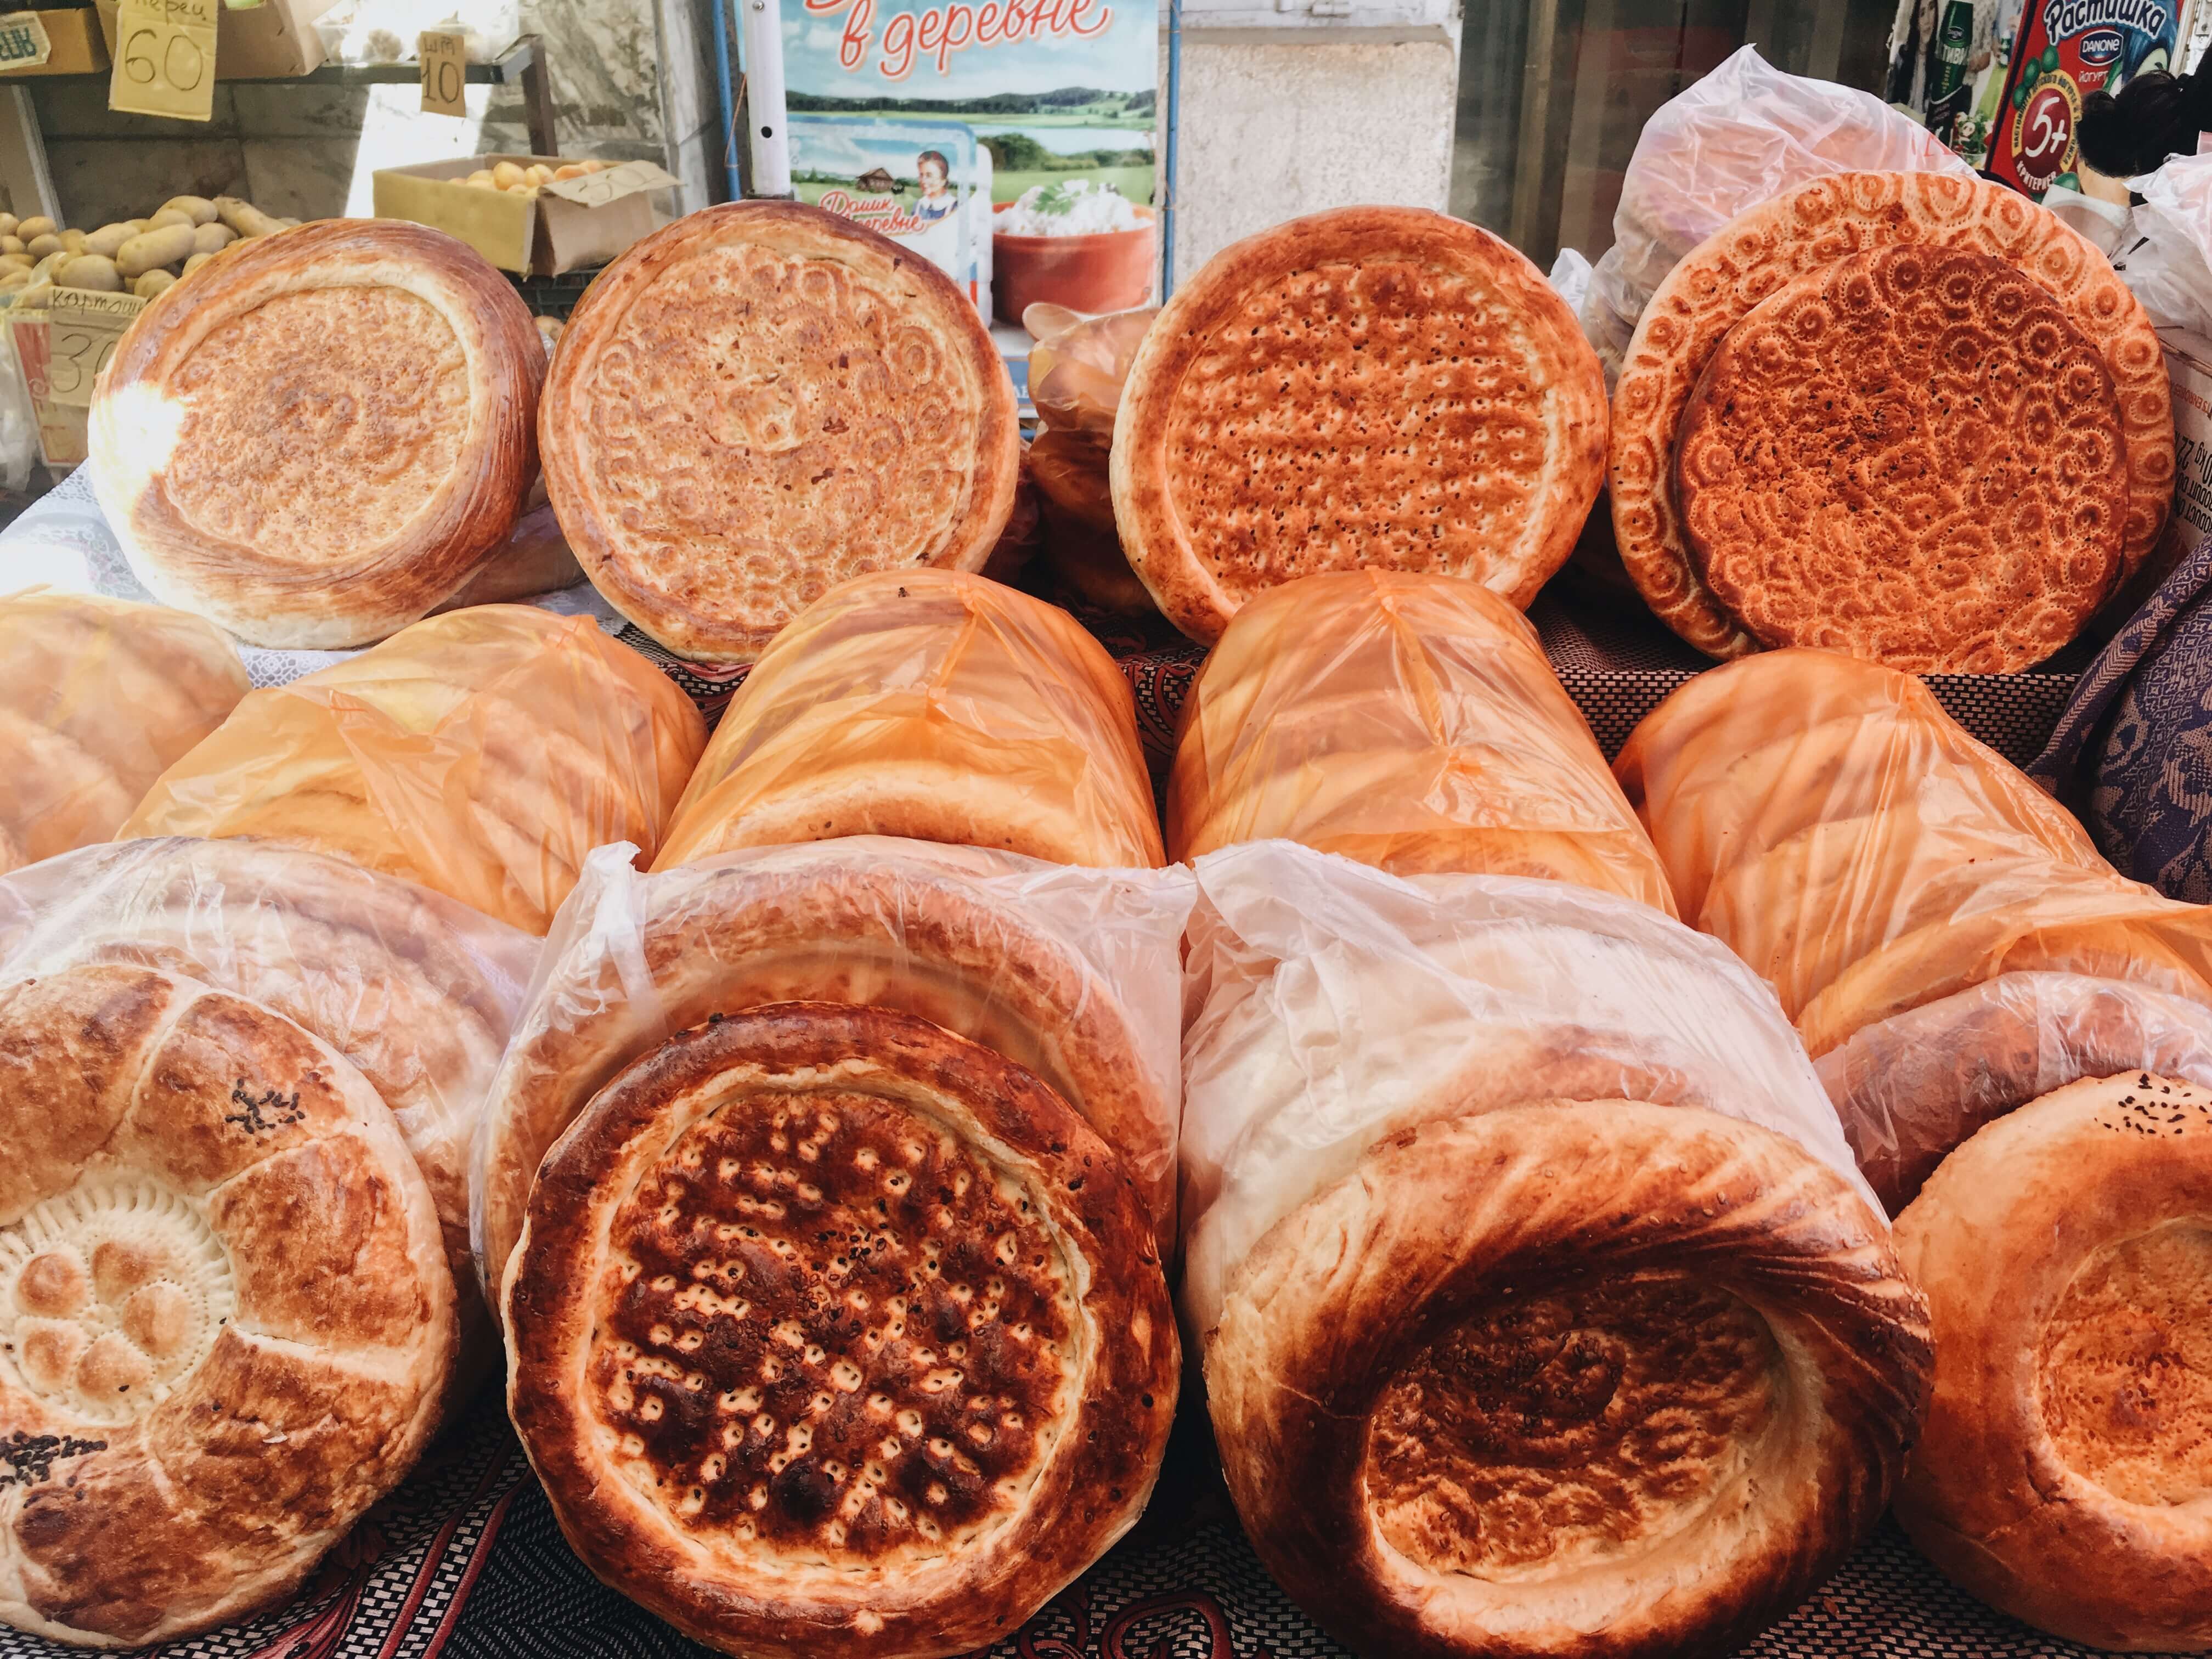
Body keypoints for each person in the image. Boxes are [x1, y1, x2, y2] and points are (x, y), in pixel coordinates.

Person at [914, 150, 958, 222]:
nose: (923, 181)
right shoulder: (919, 206)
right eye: (921, 175)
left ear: (943, 180)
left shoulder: (954, 207)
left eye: (929, 176)